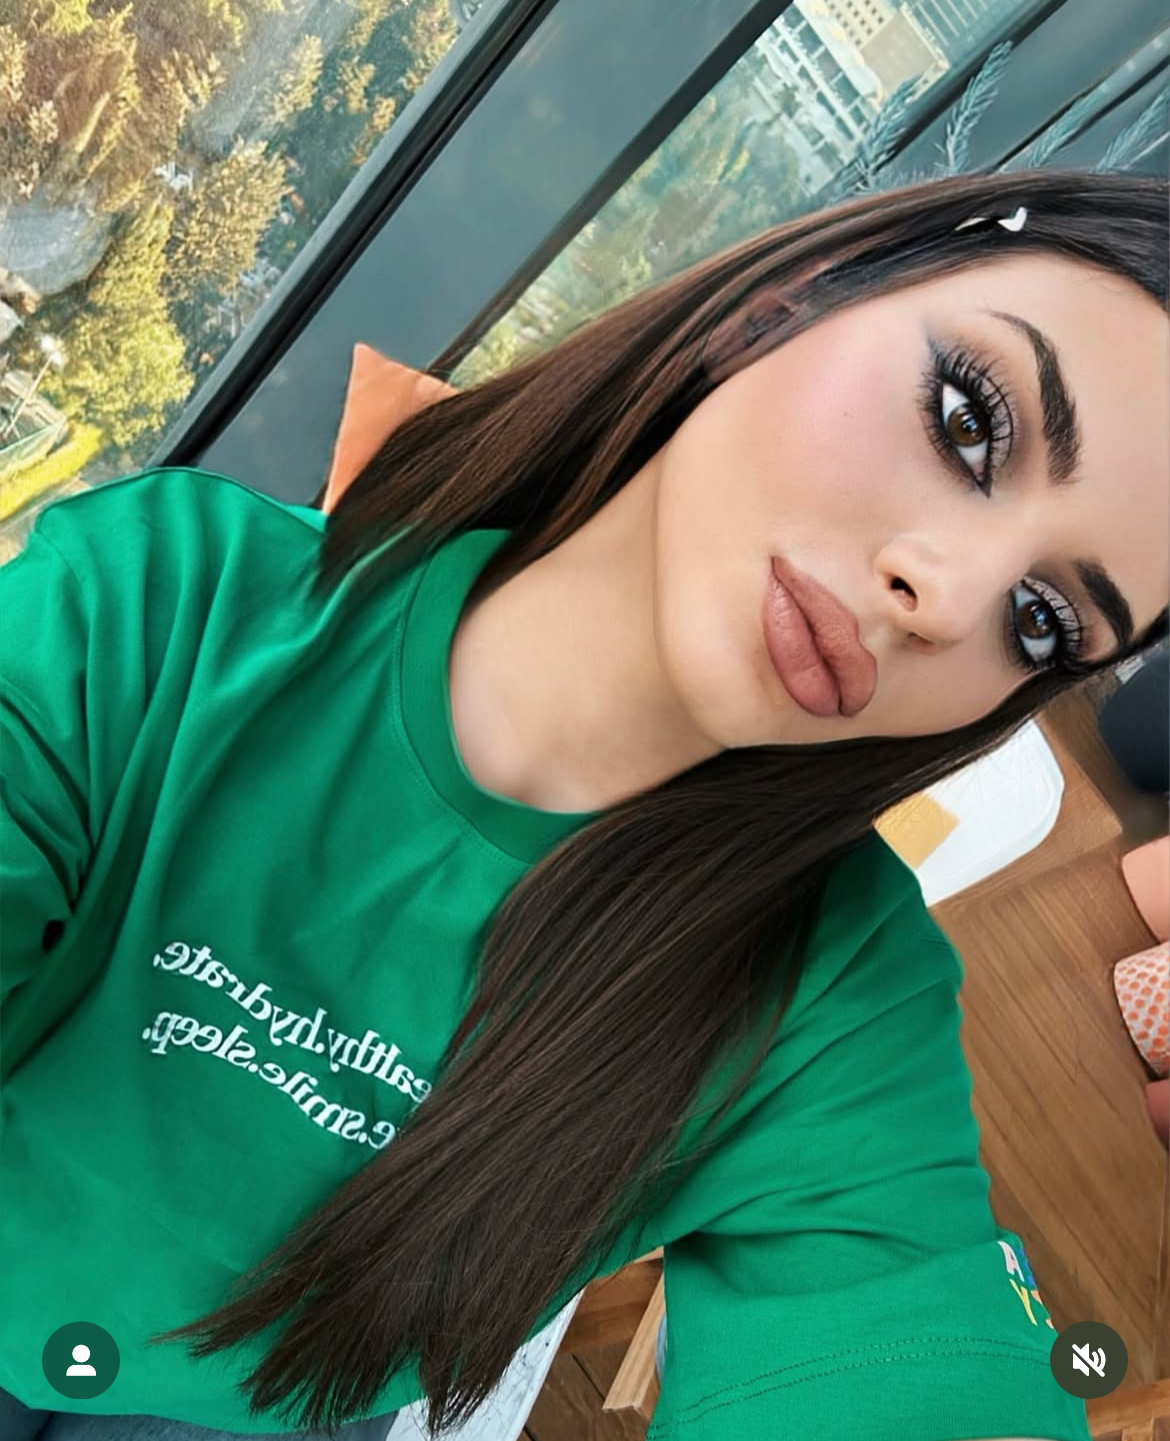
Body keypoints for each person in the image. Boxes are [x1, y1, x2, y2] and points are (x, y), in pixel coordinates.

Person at [0, 164, 1166, 1441]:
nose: (946, 597)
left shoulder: (838, 998)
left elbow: (910, 1363)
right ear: (781, 304)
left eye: (1043, 619)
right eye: (967, 421)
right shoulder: (154, 605)